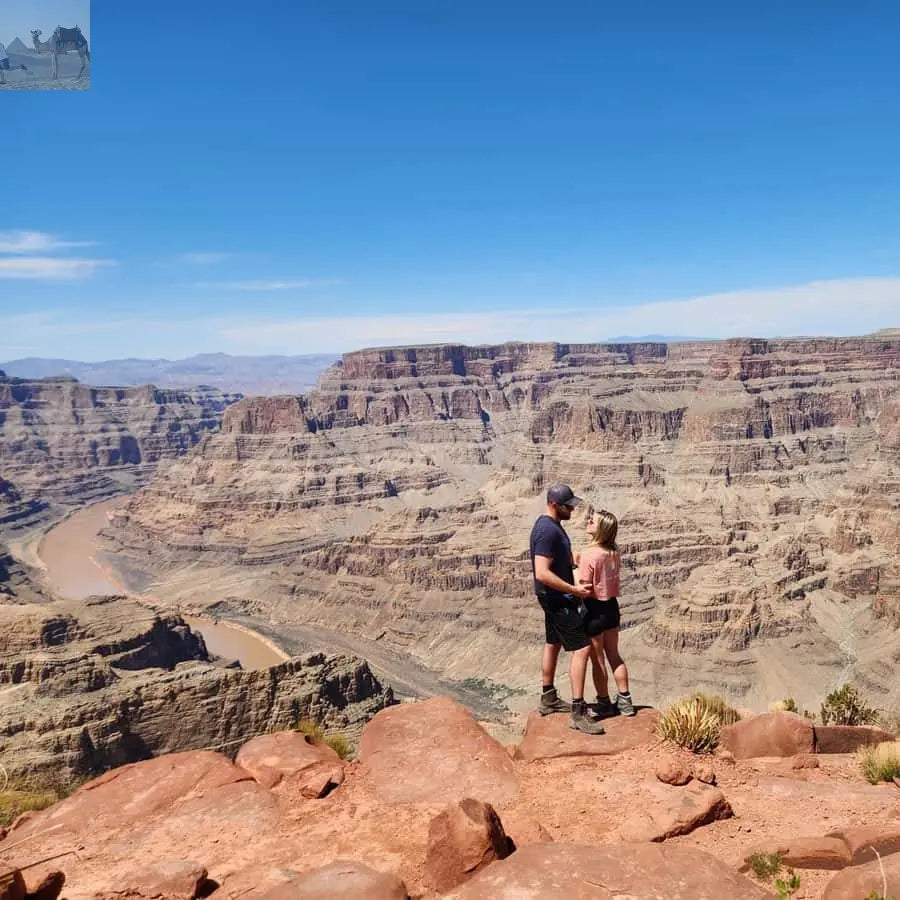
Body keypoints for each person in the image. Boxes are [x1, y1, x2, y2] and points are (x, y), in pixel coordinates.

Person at [530, 483, 605, 734]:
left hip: (553, 597)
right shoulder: (547, 531)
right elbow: (542, 572)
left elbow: (559, 557)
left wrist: (579, 559)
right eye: (567, 506)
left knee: (553, 642)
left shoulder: (552, 526)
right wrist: (573, 591)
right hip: (557, 599)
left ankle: (548, 697)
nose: (572, 510)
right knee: (582, 649)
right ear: (554, 505)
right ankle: (578, 711)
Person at [577, 508, 635, 717]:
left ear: (601, 529)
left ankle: (604, 702)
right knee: (614, 655)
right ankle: (626, 700)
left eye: (593, 520)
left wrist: (574, 572)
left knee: (598, 660)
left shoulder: (589, 554)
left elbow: (585, 587)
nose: (589, 520)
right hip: (611, 608)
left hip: (593, 610)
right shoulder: (613, 553)